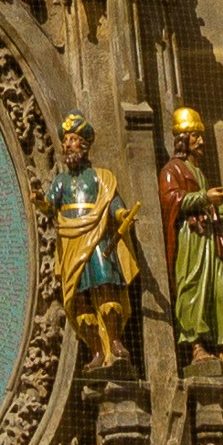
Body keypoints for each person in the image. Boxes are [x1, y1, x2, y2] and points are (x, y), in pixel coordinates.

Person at [39, 111, 138, 371]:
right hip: (71, 241)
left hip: (96, 239)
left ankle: (115, 342)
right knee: (79, 297)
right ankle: (95, 351)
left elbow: (113, 201)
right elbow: (49, 204)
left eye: (71, 140)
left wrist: (121, 214)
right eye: (65, 141)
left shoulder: (99, 177)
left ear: (83, 145)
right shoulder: (61, 182)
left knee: (106, 285)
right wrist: (39, 201)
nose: (66, 145)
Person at [159, 107, 223, 370]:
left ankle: (219, 347)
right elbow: (170, 200)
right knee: (194, 289)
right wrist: (204, 197)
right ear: (182, 140)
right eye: (195, 136)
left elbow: (213, 210)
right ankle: (197, 346)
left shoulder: (200, 173)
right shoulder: (172, 169)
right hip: (190, 240)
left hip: (209, 239)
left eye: (200, 136)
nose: (201, 141)